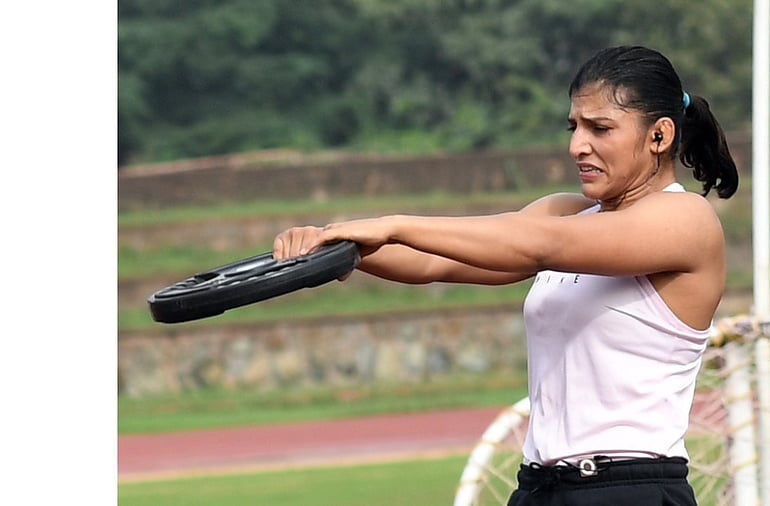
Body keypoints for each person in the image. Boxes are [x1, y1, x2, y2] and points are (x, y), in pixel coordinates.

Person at [273, 45, 739, 505]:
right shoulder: (563, 211)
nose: (577, 145)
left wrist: (393, 223)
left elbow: (536, 244)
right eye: (573, 126)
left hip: (630, 488)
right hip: (539, 488)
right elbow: (438, 261)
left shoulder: (686, 219)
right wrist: (334, 250)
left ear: (659, 136)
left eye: (600, 128)